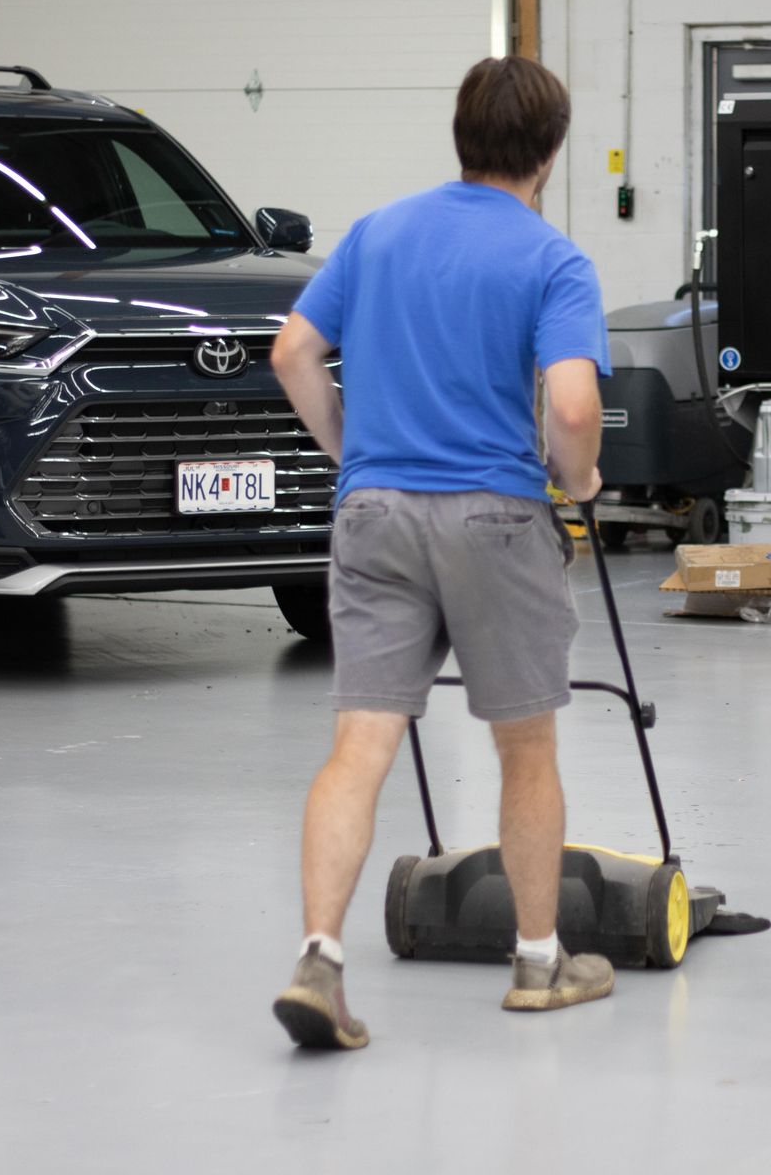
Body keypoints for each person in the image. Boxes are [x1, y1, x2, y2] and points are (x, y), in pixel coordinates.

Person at [268, 56, 612, 1050]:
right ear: (549, 151)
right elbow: (576, 406)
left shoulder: (377, 233)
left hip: (374, 511)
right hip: (495, 518)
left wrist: (355, 454)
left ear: (460, 134)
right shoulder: (553, 260)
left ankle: (320, 959)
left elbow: (294, 349)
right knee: (525, 744)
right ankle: (540, 961)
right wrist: (578, 481)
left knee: (359, 744)